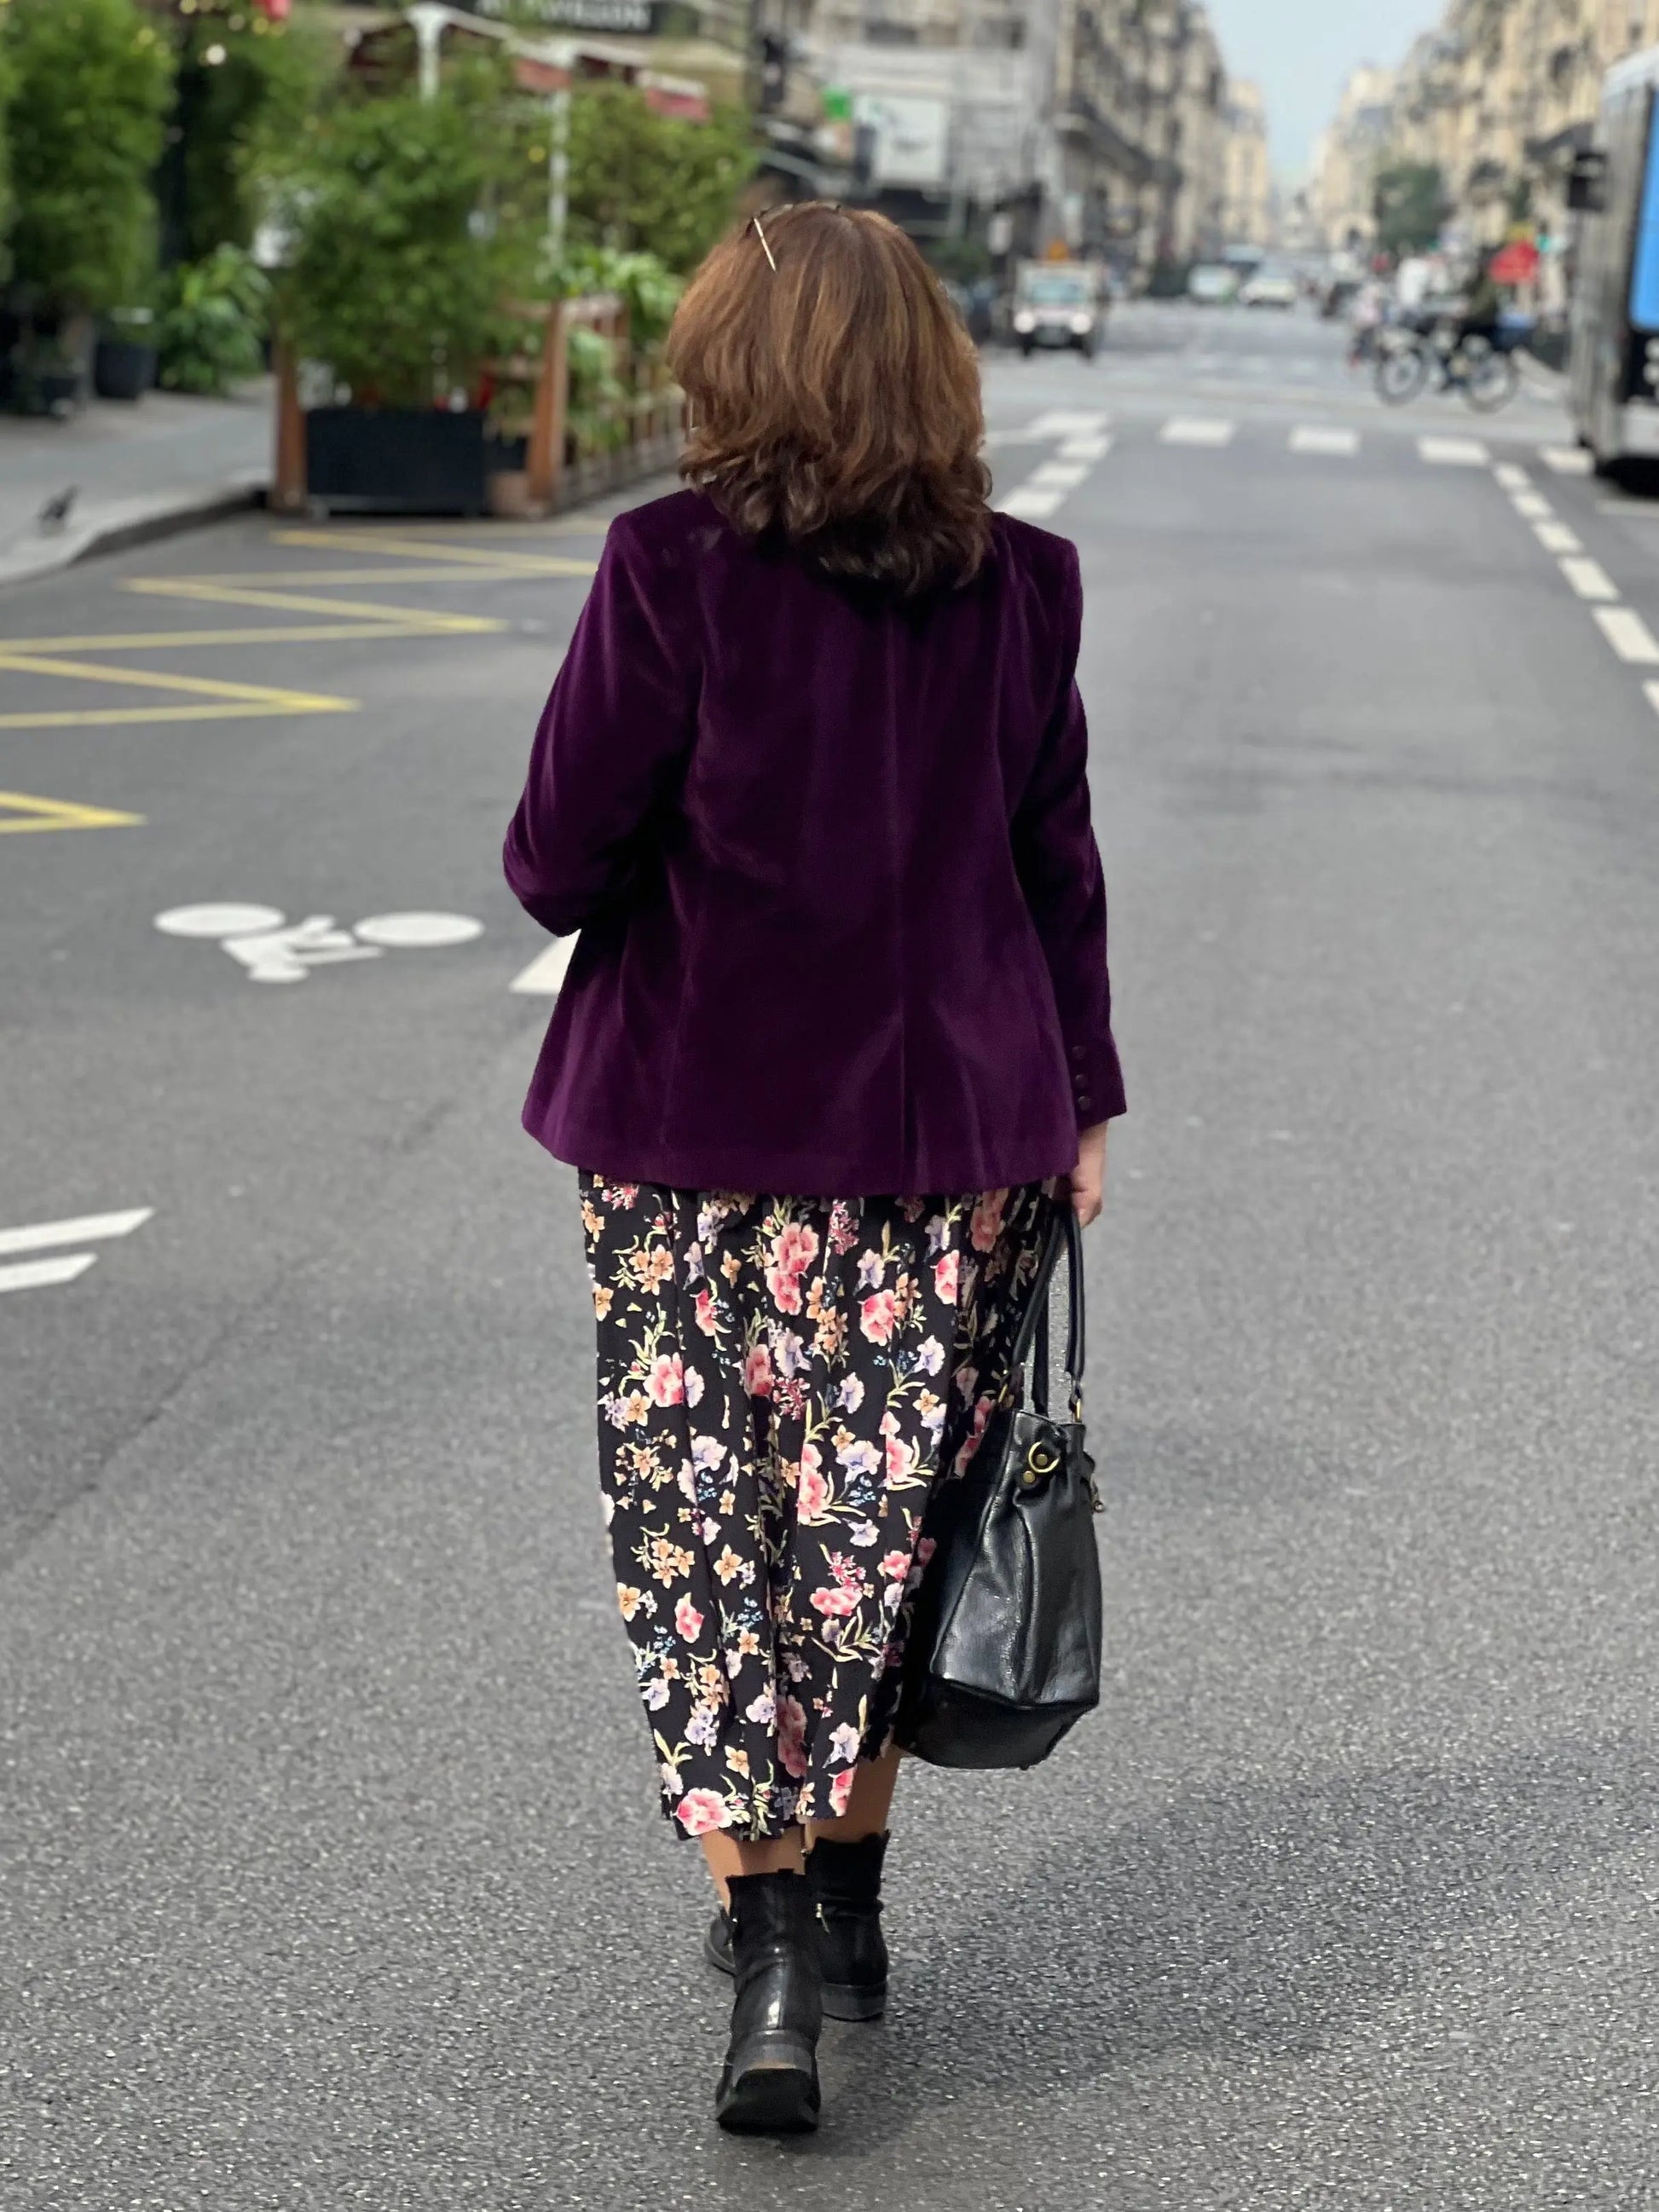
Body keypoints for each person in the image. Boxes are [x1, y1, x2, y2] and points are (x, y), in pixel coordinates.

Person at [503, 202, 1126, 2136]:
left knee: (714, 1544)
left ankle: (769, 1941)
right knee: (875, 1540)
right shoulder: (1023, 585)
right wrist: (1083, 1103)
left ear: (734, 370)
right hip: (944, 1154)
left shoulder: (666, 569)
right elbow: (1057, 874)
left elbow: (554, 856)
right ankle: (848, 1912)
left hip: (696, 1151)